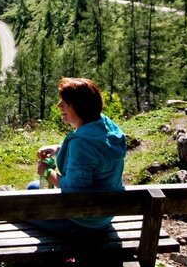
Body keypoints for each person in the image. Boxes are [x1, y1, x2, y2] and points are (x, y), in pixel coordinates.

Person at [27, 78, 126, 233]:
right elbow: (95, 156)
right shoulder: (107, 126)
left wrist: (46, 171)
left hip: (82, 222)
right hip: (105, 214)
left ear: (79, 107)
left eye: (65, 102)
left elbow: (73, 190)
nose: (59, 105)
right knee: (33, 187)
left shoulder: (82, 143)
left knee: (24, 202)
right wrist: (59, 149)